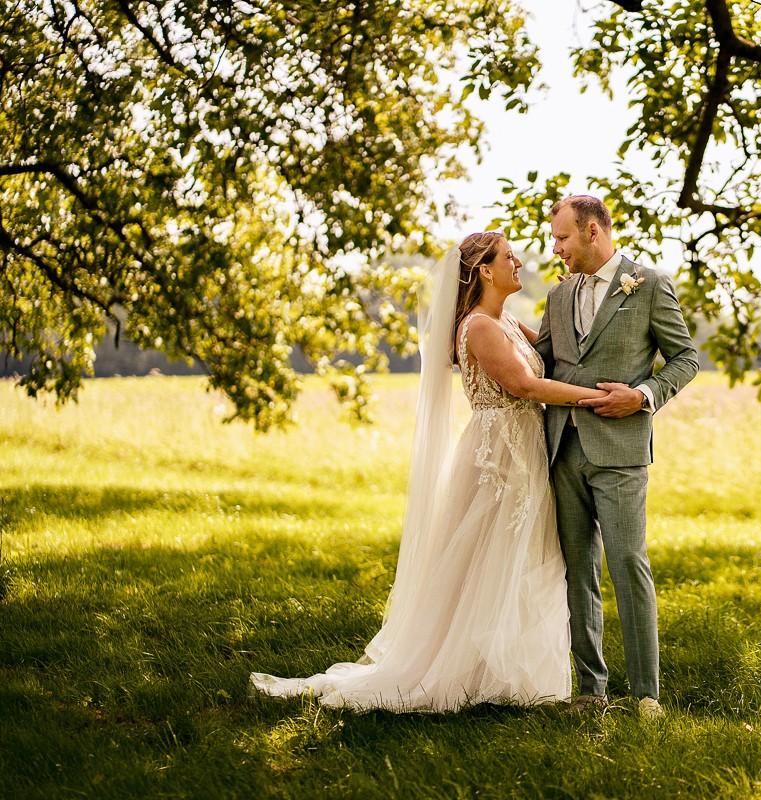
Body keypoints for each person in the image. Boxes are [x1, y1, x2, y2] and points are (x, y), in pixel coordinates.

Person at [250, 231, 609, 712]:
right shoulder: (479, 327)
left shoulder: (508, 323)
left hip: (523, 452)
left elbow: (554, 357)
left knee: (519, 558)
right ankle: (461, 672)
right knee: (488, 558)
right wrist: (600, 398)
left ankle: (505, 676)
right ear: (484, 270)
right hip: (497, 457)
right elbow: (525, 385)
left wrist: (571, 298)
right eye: (508, 256)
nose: (518, 260)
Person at [535, 196, 699, 720]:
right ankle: (591, 690)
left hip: (622, 449)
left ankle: (646, 694)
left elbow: (685, 358)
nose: (555, 248)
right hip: (563, 449)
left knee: (628, 563)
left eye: (562, 238)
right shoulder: (558, 297)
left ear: (591, 231)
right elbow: (540, 361)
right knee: (577, 570)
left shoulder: (648, 285)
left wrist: (643, 396)